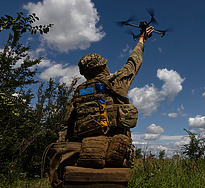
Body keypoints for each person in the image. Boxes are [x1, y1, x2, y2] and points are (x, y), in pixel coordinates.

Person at [49, 26, 154, 187]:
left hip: (84, 154)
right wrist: (142, 40)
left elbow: (65, 127)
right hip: (115, 153)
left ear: (85, 73)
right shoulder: (116, 83)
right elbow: (133, 63)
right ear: (102, 66)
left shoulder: (77, 93)